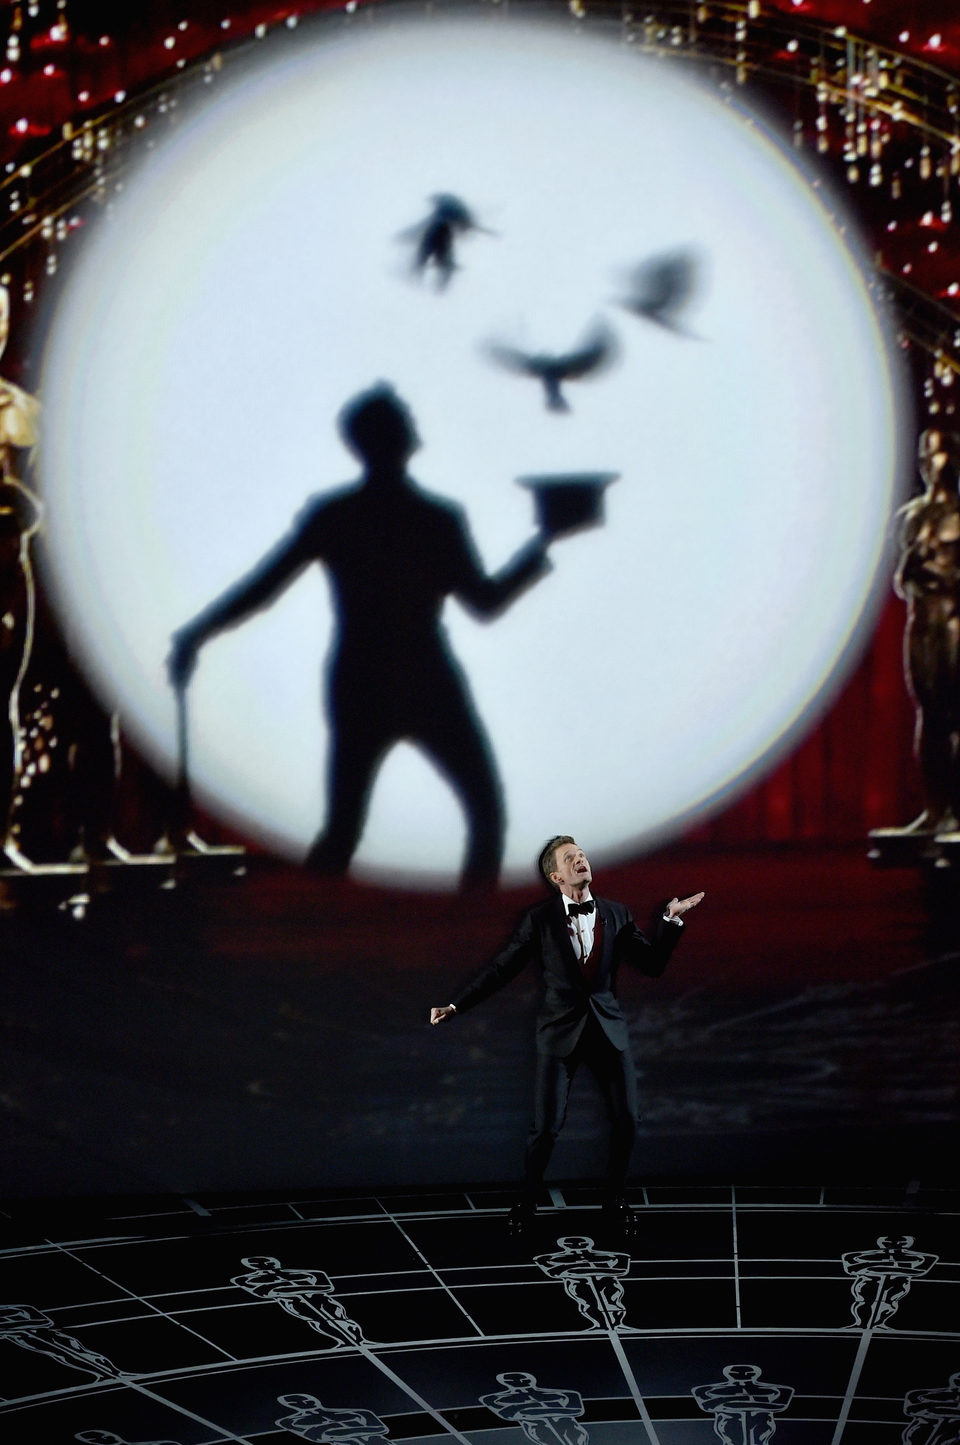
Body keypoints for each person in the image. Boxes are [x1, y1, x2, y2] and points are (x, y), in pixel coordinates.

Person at [168, 384, 551, 886]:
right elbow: (485, 603)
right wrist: (542, 542)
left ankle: (308, 935)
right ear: (399, 437)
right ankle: (464, 930)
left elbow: (264, 587)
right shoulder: (436, 518)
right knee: (484, 812)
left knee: (344, 826)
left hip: (362, 674)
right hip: (425, 674)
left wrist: (197, 634)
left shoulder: (338, 515)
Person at [430, 835, 703, 1228]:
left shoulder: (616, 913)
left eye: (582, 854)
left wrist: (669, 920)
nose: (581, 860)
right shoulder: (539, 920)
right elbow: (502, 968)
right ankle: (526, 1205)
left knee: (628, 1119)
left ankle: (614, 1201)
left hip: (608, 1030)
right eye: (570, 858)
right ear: (556, 876)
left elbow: (653, 963)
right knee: (546, 1130)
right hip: (560, 1035)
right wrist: (457, 1005)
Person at [891, 428, 960, 835]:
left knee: (954, 716)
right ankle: (934, 811)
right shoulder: (910, 517)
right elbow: (901, 581)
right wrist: (917, 568)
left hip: (954, 623)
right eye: (929, 455)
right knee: (929, 716)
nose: (936, 463)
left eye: (944, 453)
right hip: (922, 625)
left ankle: (956, 810)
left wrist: (934, 572)